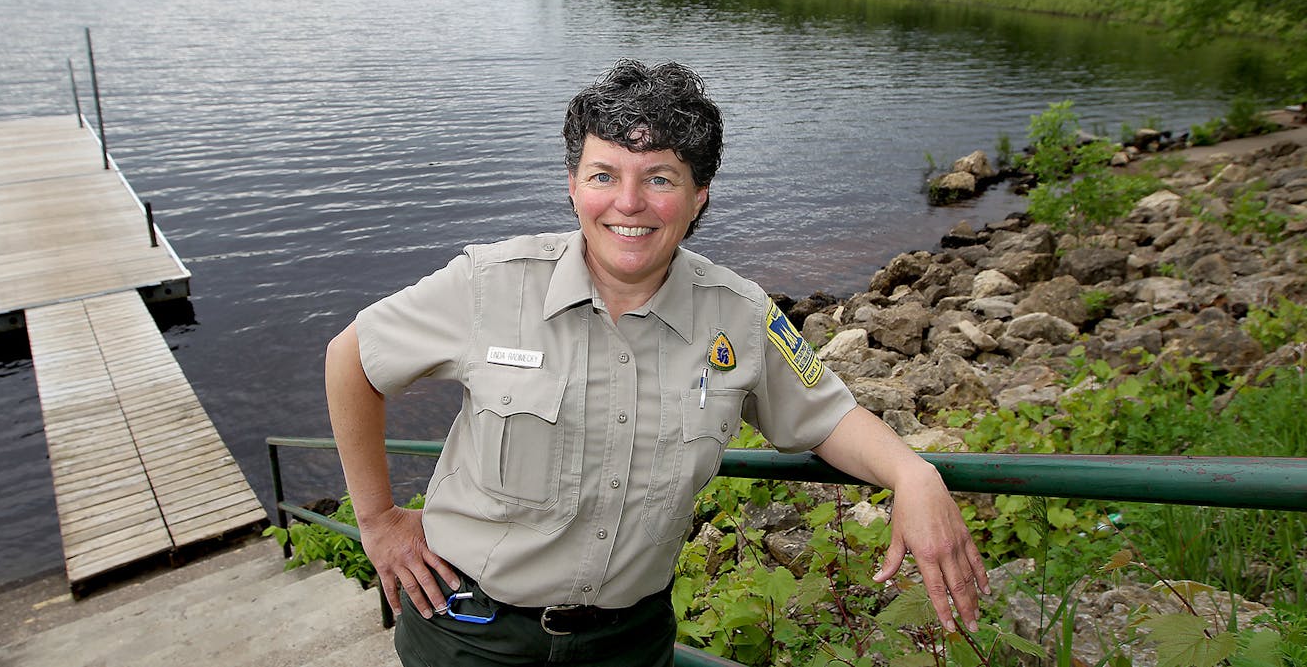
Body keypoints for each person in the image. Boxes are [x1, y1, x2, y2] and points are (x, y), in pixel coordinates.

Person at [325, 59, 989, 667]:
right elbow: (351, 358)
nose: (629, 203)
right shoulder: (488, 284)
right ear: (573, 185)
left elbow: (826, 415)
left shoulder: (741, 315)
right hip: (469, 635)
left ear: (699, 195)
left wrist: (913, 473)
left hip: (628, 645)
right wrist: (379, 521)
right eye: (604, 175)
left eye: (660, 179)